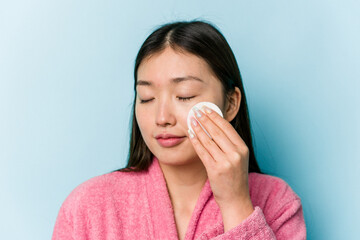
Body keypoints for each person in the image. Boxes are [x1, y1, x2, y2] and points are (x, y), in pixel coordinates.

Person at [52, 20, 306, 240]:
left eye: (184, 95)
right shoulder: (86, 206)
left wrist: (235, 204)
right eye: (147, 97)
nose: (162, 118)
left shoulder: (278, 201)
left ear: (230, 103)